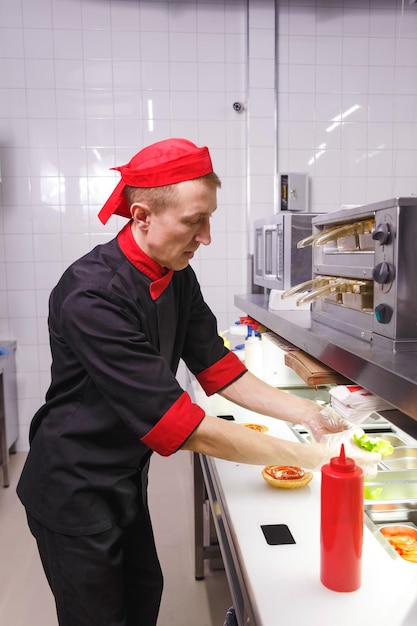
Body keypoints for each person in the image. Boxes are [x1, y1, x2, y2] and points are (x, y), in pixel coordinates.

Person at [17, 138, 380, 626]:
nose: (206, 237)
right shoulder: (92, 295)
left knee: (144, 595)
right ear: (142, 216)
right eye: (194, 221)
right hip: (74, 481)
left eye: (209, 218)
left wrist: (312, 416)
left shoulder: (176, 273)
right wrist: (315, 459)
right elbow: (184, 426)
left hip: (124, 473)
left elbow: (217, 367)